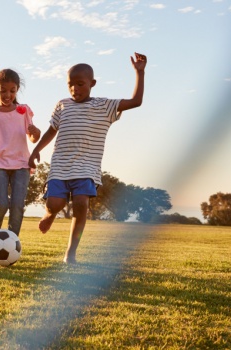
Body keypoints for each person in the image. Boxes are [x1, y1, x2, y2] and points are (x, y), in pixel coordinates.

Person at [28, 53, 147, 264]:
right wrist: (36, 150)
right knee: (55, 204)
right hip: (60, 166)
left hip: (87, 167)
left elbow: (136, 101)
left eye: (80, 84)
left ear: (92, 83)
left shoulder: (104, 106)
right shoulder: (62, 105)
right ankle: (49, 214)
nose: (75, 89)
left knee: (81, 203)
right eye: (70, 85)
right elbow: (51, 130)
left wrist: (139, 72)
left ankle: (71, 252)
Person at [0, 69, 41, 236]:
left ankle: (12, 240)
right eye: (3, 91)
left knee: (17, 205)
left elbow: (33, 138)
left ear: (17, 89)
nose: (8, 95)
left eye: (12, 91)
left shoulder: (23, 111)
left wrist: (36, 132)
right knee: (1, 204)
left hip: (21, 163)